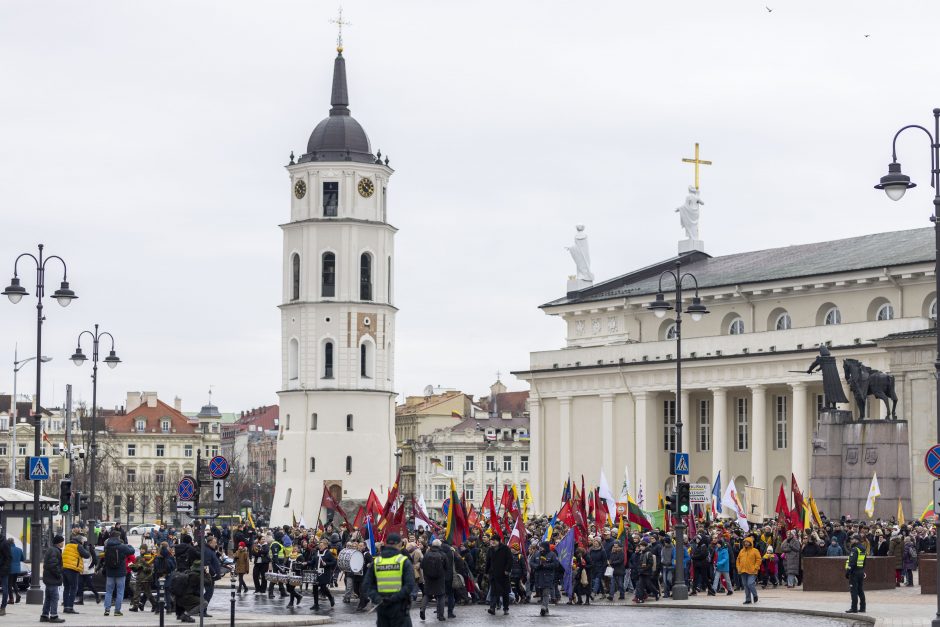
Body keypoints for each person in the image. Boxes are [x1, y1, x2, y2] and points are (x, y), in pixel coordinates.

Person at [362, 532, 416, 627]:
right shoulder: (403, 561)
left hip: (382, 608)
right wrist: (393, 599)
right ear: (400, 544)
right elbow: (410, 585)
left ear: (386, 544)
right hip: (400, 608)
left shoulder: (377, 562)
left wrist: (378, 599)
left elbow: (367, 585)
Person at [102, 530, 135, 616]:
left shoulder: (107, 546)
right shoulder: (122, 546)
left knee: (109, 591)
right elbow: (132, 551)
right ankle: (117, 611)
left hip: (110, 572)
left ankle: (107, 609)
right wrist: (129, 545)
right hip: (120, 572)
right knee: (120, 591)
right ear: (118, 537)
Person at [61, 531, 90, 614]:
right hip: (73, 569)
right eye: (83, 541)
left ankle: (65, 607)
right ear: (80, 541)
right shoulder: (78, 546)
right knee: (74, 588)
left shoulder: (67, 545)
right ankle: (70, 607)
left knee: (66, 588)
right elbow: (87, 555)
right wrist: (85, 546)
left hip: (65, 568)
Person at [419, 539, 447, 621]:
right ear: (439, 545)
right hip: (440, 579)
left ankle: (422, 609)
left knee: (427, 594)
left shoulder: (427, 554)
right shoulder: (443, 554)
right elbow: (447, 566)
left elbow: (422, 565)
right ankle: (441, 616)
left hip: (428, 578)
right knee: (441, 595)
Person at [529, 541, 558, 617]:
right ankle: (546, 608)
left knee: (546, 593)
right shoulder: (536, 554)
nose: (541, 548)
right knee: (542, 593)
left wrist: (545, 565)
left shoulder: (552, 554)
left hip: (548, 577)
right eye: (540, 547)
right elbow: (531, 562)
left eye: (542, 547)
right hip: (538, 577)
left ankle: (543, 608)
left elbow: (556, 564)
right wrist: (537, 566)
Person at [41, 534, 65, 623]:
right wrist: (59, 574)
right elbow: (53, 565)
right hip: (52, 578)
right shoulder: (54, 551)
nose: (63, 543)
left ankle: (44, 615)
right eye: (62, 541)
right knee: (55, 597)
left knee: (48, 597)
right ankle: (54, 616)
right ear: (59, 543)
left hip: (49, 577)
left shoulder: (52, 550)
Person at [486, 535, 512, 616]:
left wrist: (507, 570)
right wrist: (486, 572)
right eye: (492, 540)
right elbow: (488, 561)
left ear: (499, 541)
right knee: (493, 592)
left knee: (505, 593)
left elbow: (510, 560)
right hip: (493, 574)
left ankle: (506, 608)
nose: (493, 542)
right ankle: (492, 608)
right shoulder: (490, 550)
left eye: (495, 540)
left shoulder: (505, 549)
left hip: (503, 575)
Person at [310, 537, 337, 612]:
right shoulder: (317, 552)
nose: (320, 547)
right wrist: (306, 563)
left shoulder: (328, 553)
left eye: (321, 546)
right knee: (315, 588)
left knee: (323, 588)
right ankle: (316, 604)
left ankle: (331, 597)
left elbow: (334, 562)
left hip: (324, 574)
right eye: (319, 546)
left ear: (326, 546)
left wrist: (326, 564)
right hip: (316, 573)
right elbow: (313, 561)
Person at [130, 544, 157, 612]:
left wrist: (142, 567)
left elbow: (150, 569)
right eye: (141, 549)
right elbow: (135, 569)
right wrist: (133, 567)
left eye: (143, 549)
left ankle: (155, 605)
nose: (141, 550)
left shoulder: (149, 557)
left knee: (148, 593)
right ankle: (135, 606)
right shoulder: (138, 558)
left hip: (146, 578)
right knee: (137, 592)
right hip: (139, 577)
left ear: (146, 550)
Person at [736, 536, 761, 605]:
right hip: (743, 570)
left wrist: (755, 567)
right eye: (745, 542)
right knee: (745, 585)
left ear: (751, 543)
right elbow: (738, 560)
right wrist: (738, 567)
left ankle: (755, 595)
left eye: (747, 542)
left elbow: (759, 560)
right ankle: (748, 599)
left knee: (750, 584)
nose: (746, 543)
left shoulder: (755, 550)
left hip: (752, 571)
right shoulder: (742, 551)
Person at [845, 534, 867, 614]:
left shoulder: (855, 549)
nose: (851, 540)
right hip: (860, 571)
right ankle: (862, 608)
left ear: (856, 540)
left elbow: (852, 562)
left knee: (853, 590)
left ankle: (854, 608)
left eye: (852, 539)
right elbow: (864, 561)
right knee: (860, 590)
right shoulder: (863, 548)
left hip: (854, 573)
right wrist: (862, 570)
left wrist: (848, 572)